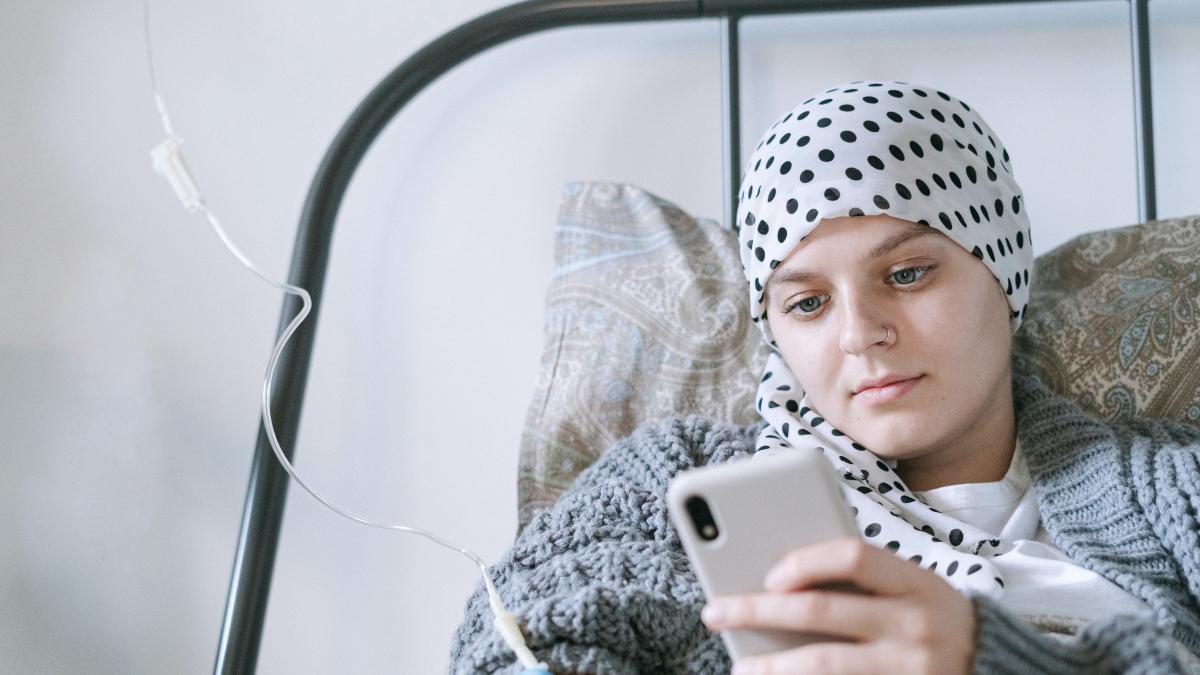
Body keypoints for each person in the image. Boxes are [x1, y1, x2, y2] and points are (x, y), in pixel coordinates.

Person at [448, 81, 1200, 674]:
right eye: (807, 303)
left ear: (1006, 276)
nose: (859, 332)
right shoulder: (679, 485)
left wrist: (987, 657)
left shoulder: (1179, 493)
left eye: (906, 274)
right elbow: (514, 638)